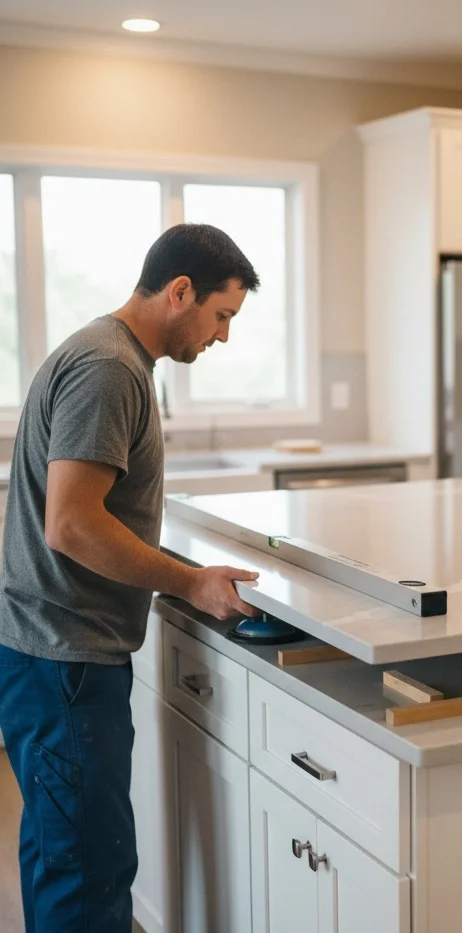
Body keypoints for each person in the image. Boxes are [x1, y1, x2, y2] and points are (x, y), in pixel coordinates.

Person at [0, 223, 264, 932]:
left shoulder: (106, 354)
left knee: (61, 857)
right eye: (222, 315)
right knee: (86, 875)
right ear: (180, 292)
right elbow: (74, 524)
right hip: (66, 663)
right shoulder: (110, 368)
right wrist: (189, 581)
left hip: (46, 656)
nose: (224, 337)